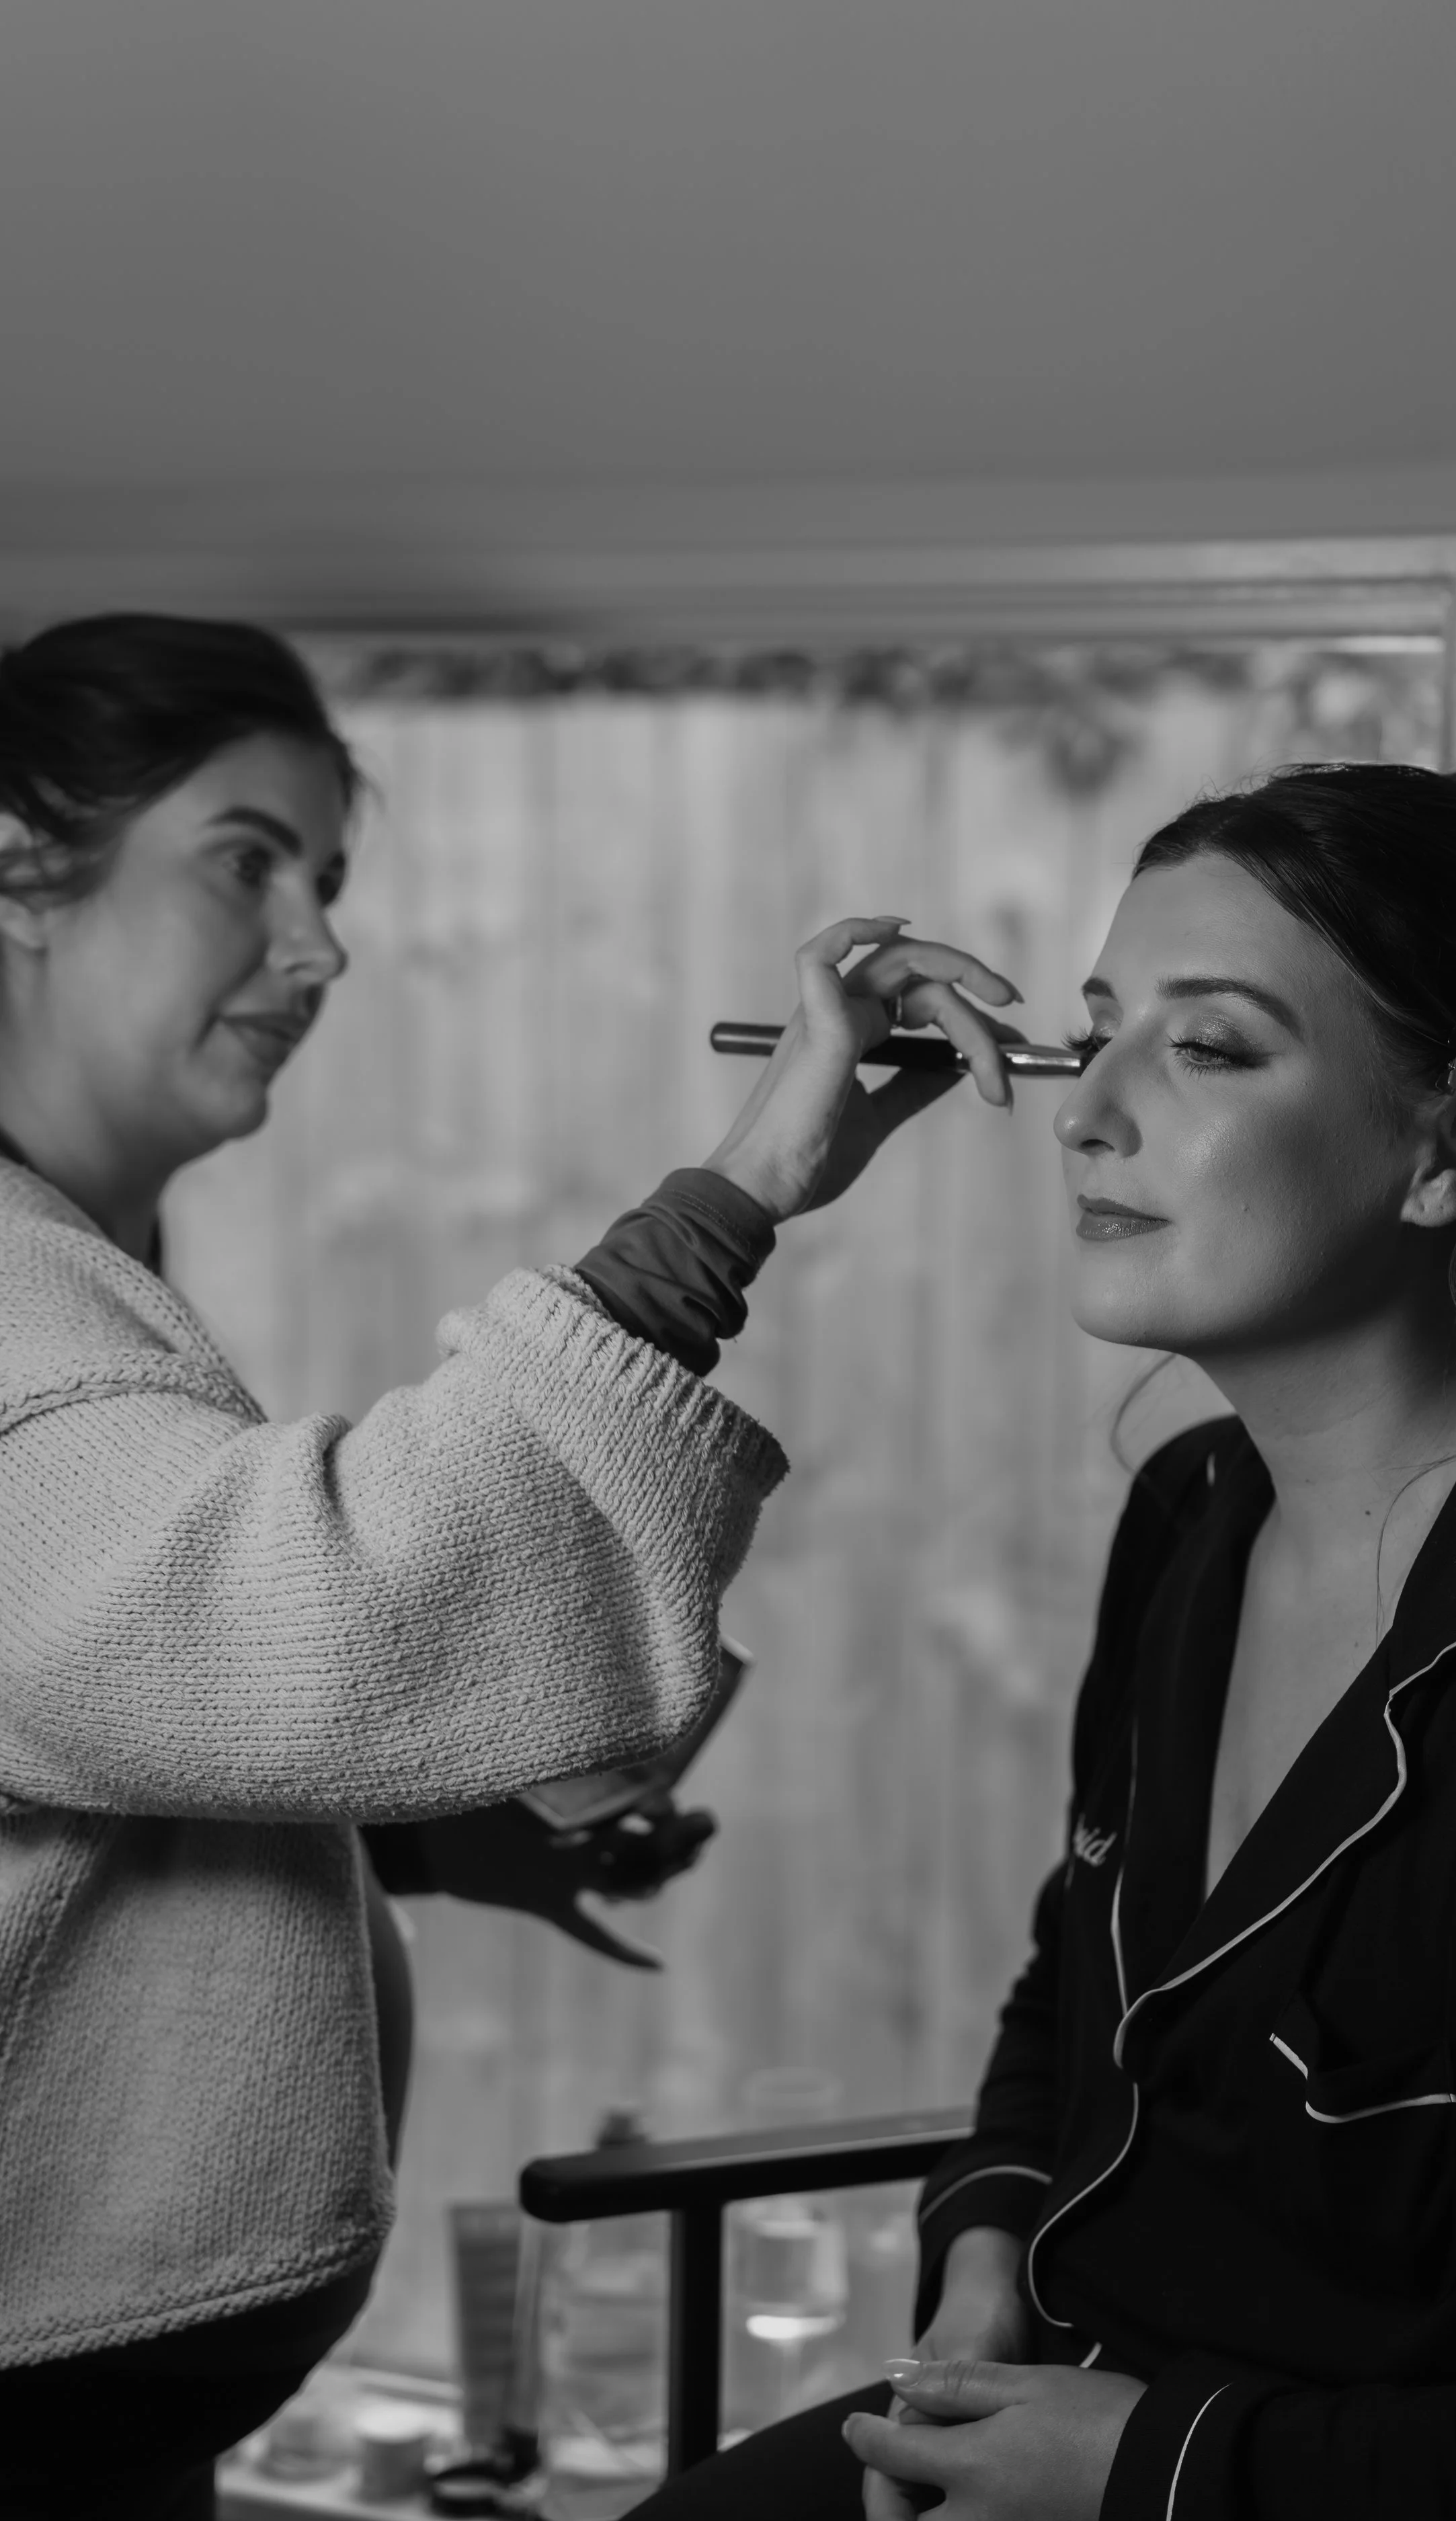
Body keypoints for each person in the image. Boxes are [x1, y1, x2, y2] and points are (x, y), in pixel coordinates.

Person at [0, 612, 1021, 2521]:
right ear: (17, 863)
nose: (323, 945)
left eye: (332, 880)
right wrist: (730, 1204)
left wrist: (407, 1839)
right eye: (245, 861)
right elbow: (330, 1620)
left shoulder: (66, 1275)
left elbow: (106, 1670)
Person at [626, 756, 1456, 2521]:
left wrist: (1146, 2470)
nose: (1084, 1110)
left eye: (1208, 1046)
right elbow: (1082, 1981)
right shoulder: (1193, 1511)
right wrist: (987, 2249)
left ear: (1450, 1149)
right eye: (1098, 1026)